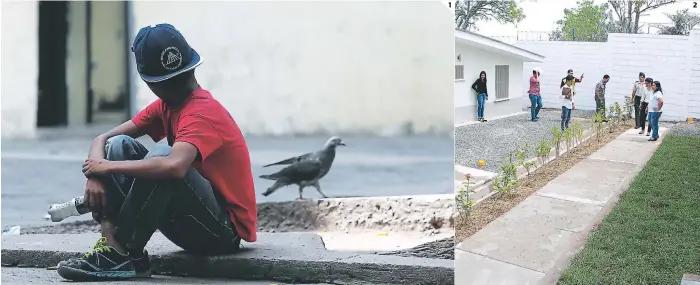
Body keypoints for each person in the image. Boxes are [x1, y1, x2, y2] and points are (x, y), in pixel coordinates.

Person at [55, 23, 257, 281]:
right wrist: (95, 174)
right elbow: (104, 138)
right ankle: (121, 253)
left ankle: (122, 251)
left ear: (150, 83)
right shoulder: (168, 103)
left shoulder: (202, 112)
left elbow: (174, 166)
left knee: (162, 156)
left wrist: (104, 168)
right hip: (189, 219)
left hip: (222, 232)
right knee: (119, 146)